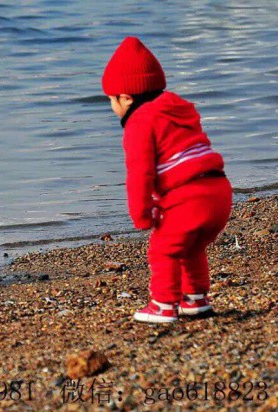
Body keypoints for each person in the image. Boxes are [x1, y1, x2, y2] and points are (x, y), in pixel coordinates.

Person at [101, 36, 232, 323]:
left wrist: (141, 213)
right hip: (219, 190)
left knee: (164, 249)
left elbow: (140, 172)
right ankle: (196, 298)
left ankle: (163, 304)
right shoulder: (178, 108)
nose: (112, 106)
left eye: (111, 99)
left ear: (126, 97)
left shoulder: (139, 122)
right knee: (192, 245)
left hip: (190, 195)